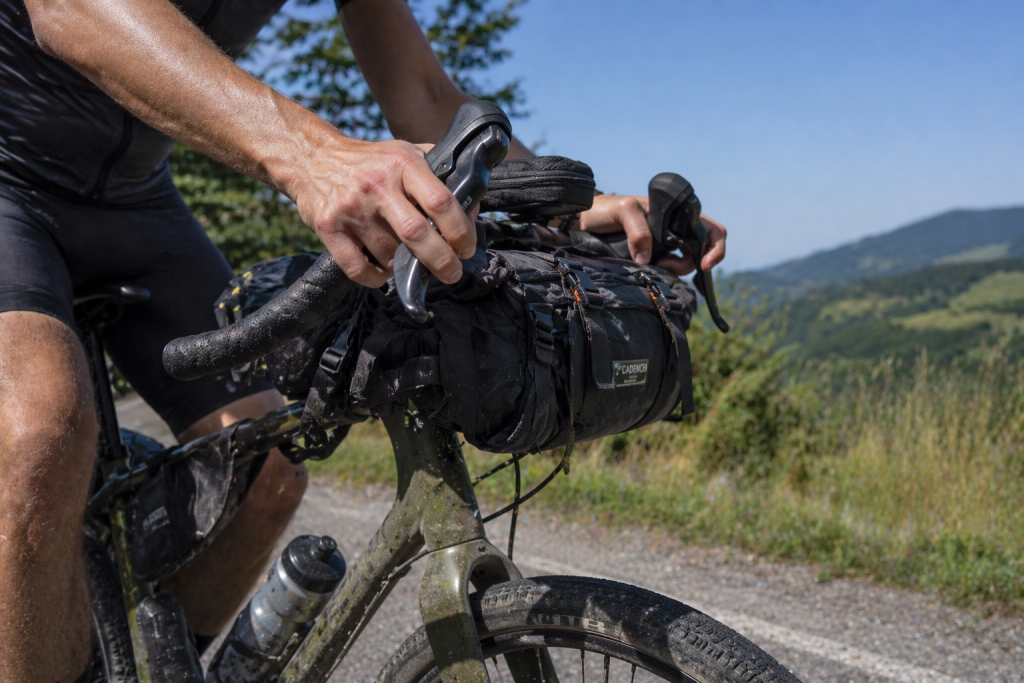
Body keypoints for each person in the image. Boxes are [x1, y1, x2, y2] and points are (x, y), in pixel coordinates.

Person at [0, 0, 727, 679]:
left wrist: (573, 207)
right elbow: (70, 11)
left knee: (266, 468)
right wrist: (312, 154)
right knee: (42, 432)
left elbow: (422, 92)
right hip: (8, 178)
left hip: (135, 199)